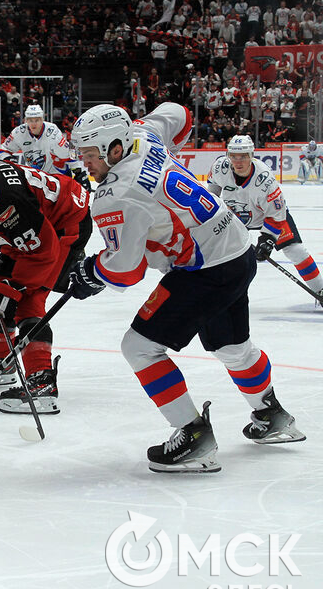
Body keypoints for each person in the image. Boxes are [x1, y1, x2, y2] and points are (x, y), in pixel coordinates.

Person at [68, 103, 305, 474]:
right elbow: (180, 113)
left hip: (204, 269)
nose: (85, 163)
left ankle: (193, 436)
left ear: (115, 147)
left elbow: (126, 271)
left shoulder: (116, 194)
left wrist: (90, 272)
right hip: (237, 250)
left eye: (89, 154)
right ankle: (272, 414)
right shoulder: (143, 135)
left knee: (139, 347)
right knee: (232, 347)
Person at [0, 133, 92, 414]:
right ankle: (5, 363)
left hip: (63, 223)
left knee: (28, 301)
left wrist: (14, 289)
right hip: (32, 226)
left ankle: (42, 383)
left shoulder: (5, 196)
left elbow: (43, 250)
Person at [208, 135, 322, 301]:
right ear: (228, 155)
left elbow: (277, 213)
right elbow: (212, 190)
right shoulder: (220, 167)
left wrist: (267, 240)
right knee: (218, 251)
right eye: (233, 156)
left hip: (266, 215)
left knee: (295, 250)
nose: (238, 161)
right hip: (235, 216)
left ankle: (320, 290)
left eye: (244, 156)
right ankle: (216, 290)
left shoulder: (265, 180)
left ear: (252, 155)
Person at [0, 104, 77, 175]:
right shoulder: (18, 132)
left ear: (42, 120)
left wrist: (78, 169)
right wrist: (7, 158)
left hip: (56, 175)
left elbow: (70, 150)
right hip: (34, 178)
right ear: (26, 121)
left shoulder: (53, 131)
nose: (34, 124)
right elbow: (3, 150)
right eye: (30, 120)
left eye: (37, 120)